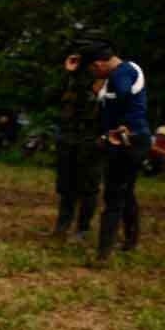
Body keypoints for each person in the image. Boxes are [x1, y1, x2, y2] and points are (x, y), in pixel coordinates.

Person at [83, 39, 150, 261]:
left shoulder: (119, 76)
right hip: (139, 138)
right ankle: (131, 241)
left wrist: (114, 131)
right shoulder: (132, 68)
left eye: (92, 69)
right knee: (126, 191)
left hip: (124, 140)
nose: (93, 74)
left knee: (113, 196)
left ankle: (103, 253)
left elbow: (121, 97)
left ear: (99, 64)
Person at [52, 41, 103, 241]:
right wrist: (67, 73)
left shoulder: (100, 78)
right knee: (66, 185)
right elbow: (51, 96)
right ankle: (62, 225)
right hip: (68, 136)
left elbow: (88, 99)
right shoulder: (69, 78)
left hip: (90, 137)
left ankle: (82, 228)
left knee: (88, 186)